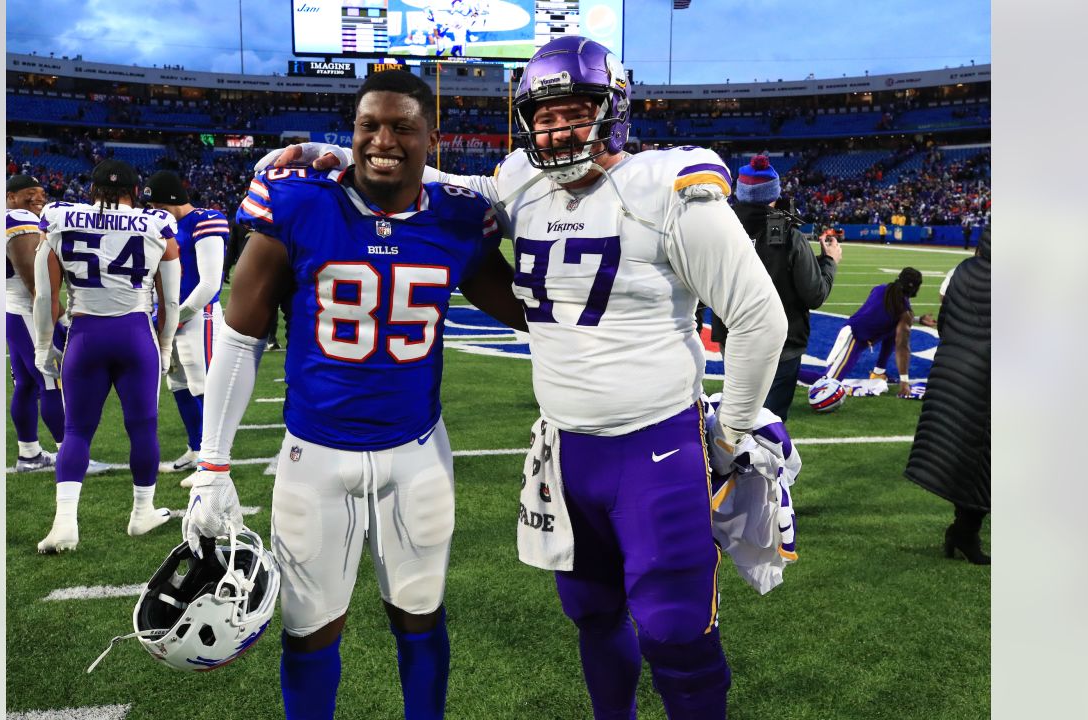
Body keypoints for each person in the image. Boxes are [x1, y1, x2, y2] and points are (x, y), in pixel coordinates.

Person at [268, 35, 786, 720]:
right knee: (592, 613)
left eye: (573, 111)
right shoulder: (522, 182)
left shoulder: (668, 189)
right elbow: (451, 187)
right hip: (568, 450)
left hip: (655, 445)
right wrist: (343, 155)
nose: (556, 128)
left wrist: (733, 436)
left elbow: (759, 318)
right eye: (543, 116)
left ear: (613, 111)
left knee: (673, 627)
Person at [181, 70, 526, 719]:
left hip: (417, 453)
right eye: (369, 126)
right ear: (351, 132)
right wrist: (212, 465)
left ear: (432, 137)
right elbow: (238, 335)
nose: (382, 140)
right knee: (309, 627)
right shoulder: (299, 202)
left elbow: (529, 311)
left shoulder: (457, 217)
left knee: (419, 616)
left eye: (401, 126)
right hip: (315, 457)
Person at [31, 159, 181, 554]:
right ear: (135, 191)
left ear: (91, 190)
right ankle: (142, 512)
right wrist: (165, 346)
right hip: (134, 334)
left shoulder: (60, 218)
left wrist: (44, 346)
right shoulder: (156, 226)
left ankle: (64, 522)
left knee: (77, 430)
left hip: (85, 334)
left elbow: (45, 295)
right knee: (142, 426)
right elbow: (172, 300)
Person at [709, 156, 841, 421]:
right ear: (774, 192)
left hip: (732, 337)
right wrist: (829, 261)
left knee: (736, 419)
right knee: (769, 426)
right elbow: (815, 293)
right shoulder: (788, 233)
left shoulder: (719, 227)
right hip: (781, 341)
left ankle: (730, 461)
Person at [5, 175, 110, 474]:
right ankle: (71, 456)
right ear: (11, 196)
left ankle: (29, 454)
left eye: (41, 193)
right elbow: (36, 285)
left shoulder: (13, 217)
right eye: (29, 193)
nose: (39, 198)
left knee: (26, 384)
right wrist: (63, 319)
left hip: (14, 311)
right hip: (28, 311)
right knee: (51, 382)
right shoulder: (19, 218)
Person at [904, 228, 990, 563]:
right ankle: (964, 533)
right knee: (984, 461)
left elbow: (945, 324)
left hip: (953, 371)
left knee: (967, 458)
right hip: (985, 378)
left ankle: (963, 532)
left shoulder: (964, 271)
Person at [141, 170, 229, 474]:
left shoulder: (204, 220)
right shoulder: (161, 224)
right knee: (177, 383)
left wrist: (176, 316)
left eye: (157, 206)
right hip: (169, 313)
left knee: (202, 383)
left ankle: (211, 459)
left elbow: (209, 284)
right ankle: (195, 448)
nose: (152, 212)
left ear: (171, 201)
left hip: (198, 315)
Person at [805, 267, 937, 397]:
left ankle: (879, 372)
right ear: (916, 288)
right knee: (828, 382)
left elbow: (886, 315)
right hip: (854, 336)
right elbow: (902, 346)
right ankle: (787, 372)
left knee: (892, 330)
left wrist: (917, 319)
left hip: (861, 333)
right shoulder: (903, 312)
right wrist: (904, 381)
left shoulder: (881, 289)